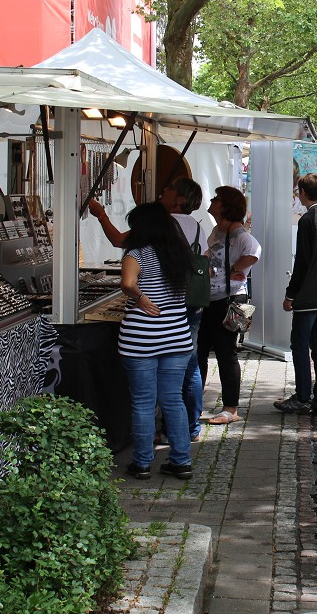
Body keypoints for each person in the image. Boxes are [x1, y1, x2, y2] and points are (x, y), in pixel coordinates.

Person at [90, 177, 210, 443]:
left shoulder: (157, 228)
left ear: (179, 198)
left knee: (145, 399)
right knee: (187, 371)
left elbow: (119, 242)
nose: (162, 190)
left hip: (151, 319)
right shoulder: (198, 228)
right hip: (185, 310)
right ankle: (189, 429)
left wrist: (101, 215)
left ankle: (145, 456)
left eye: (168, 188)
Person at [118, 202, 195, 480]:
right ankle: (181, 460)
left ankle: (141, 463)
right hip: (176, 337)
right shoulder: (178, 254)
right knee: (173, 400)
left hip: (141, 340)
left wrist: (140, 298)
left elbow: (128, 284)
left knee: (143, 402)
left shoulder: (135, 254)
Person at [276, 173, 317, 415]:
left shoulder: (308, 220)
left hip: (307, 294)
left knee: (301, 344)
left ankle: (303, 394)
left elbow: (301, 263)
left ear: (302, 192)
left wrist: (290, 295)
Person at [198, 186, 261, 425]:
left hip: (229, 300)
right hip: (211, 299)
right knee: (200, 352)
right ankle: (196, 403)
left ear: (225, 206)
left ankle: (230, 408)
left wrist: (237, 269)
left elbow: (255, 251)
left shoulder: (238, 233)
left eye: (216, 199)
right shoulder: (217, 230)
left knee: (226, 354)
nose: (211, 202)